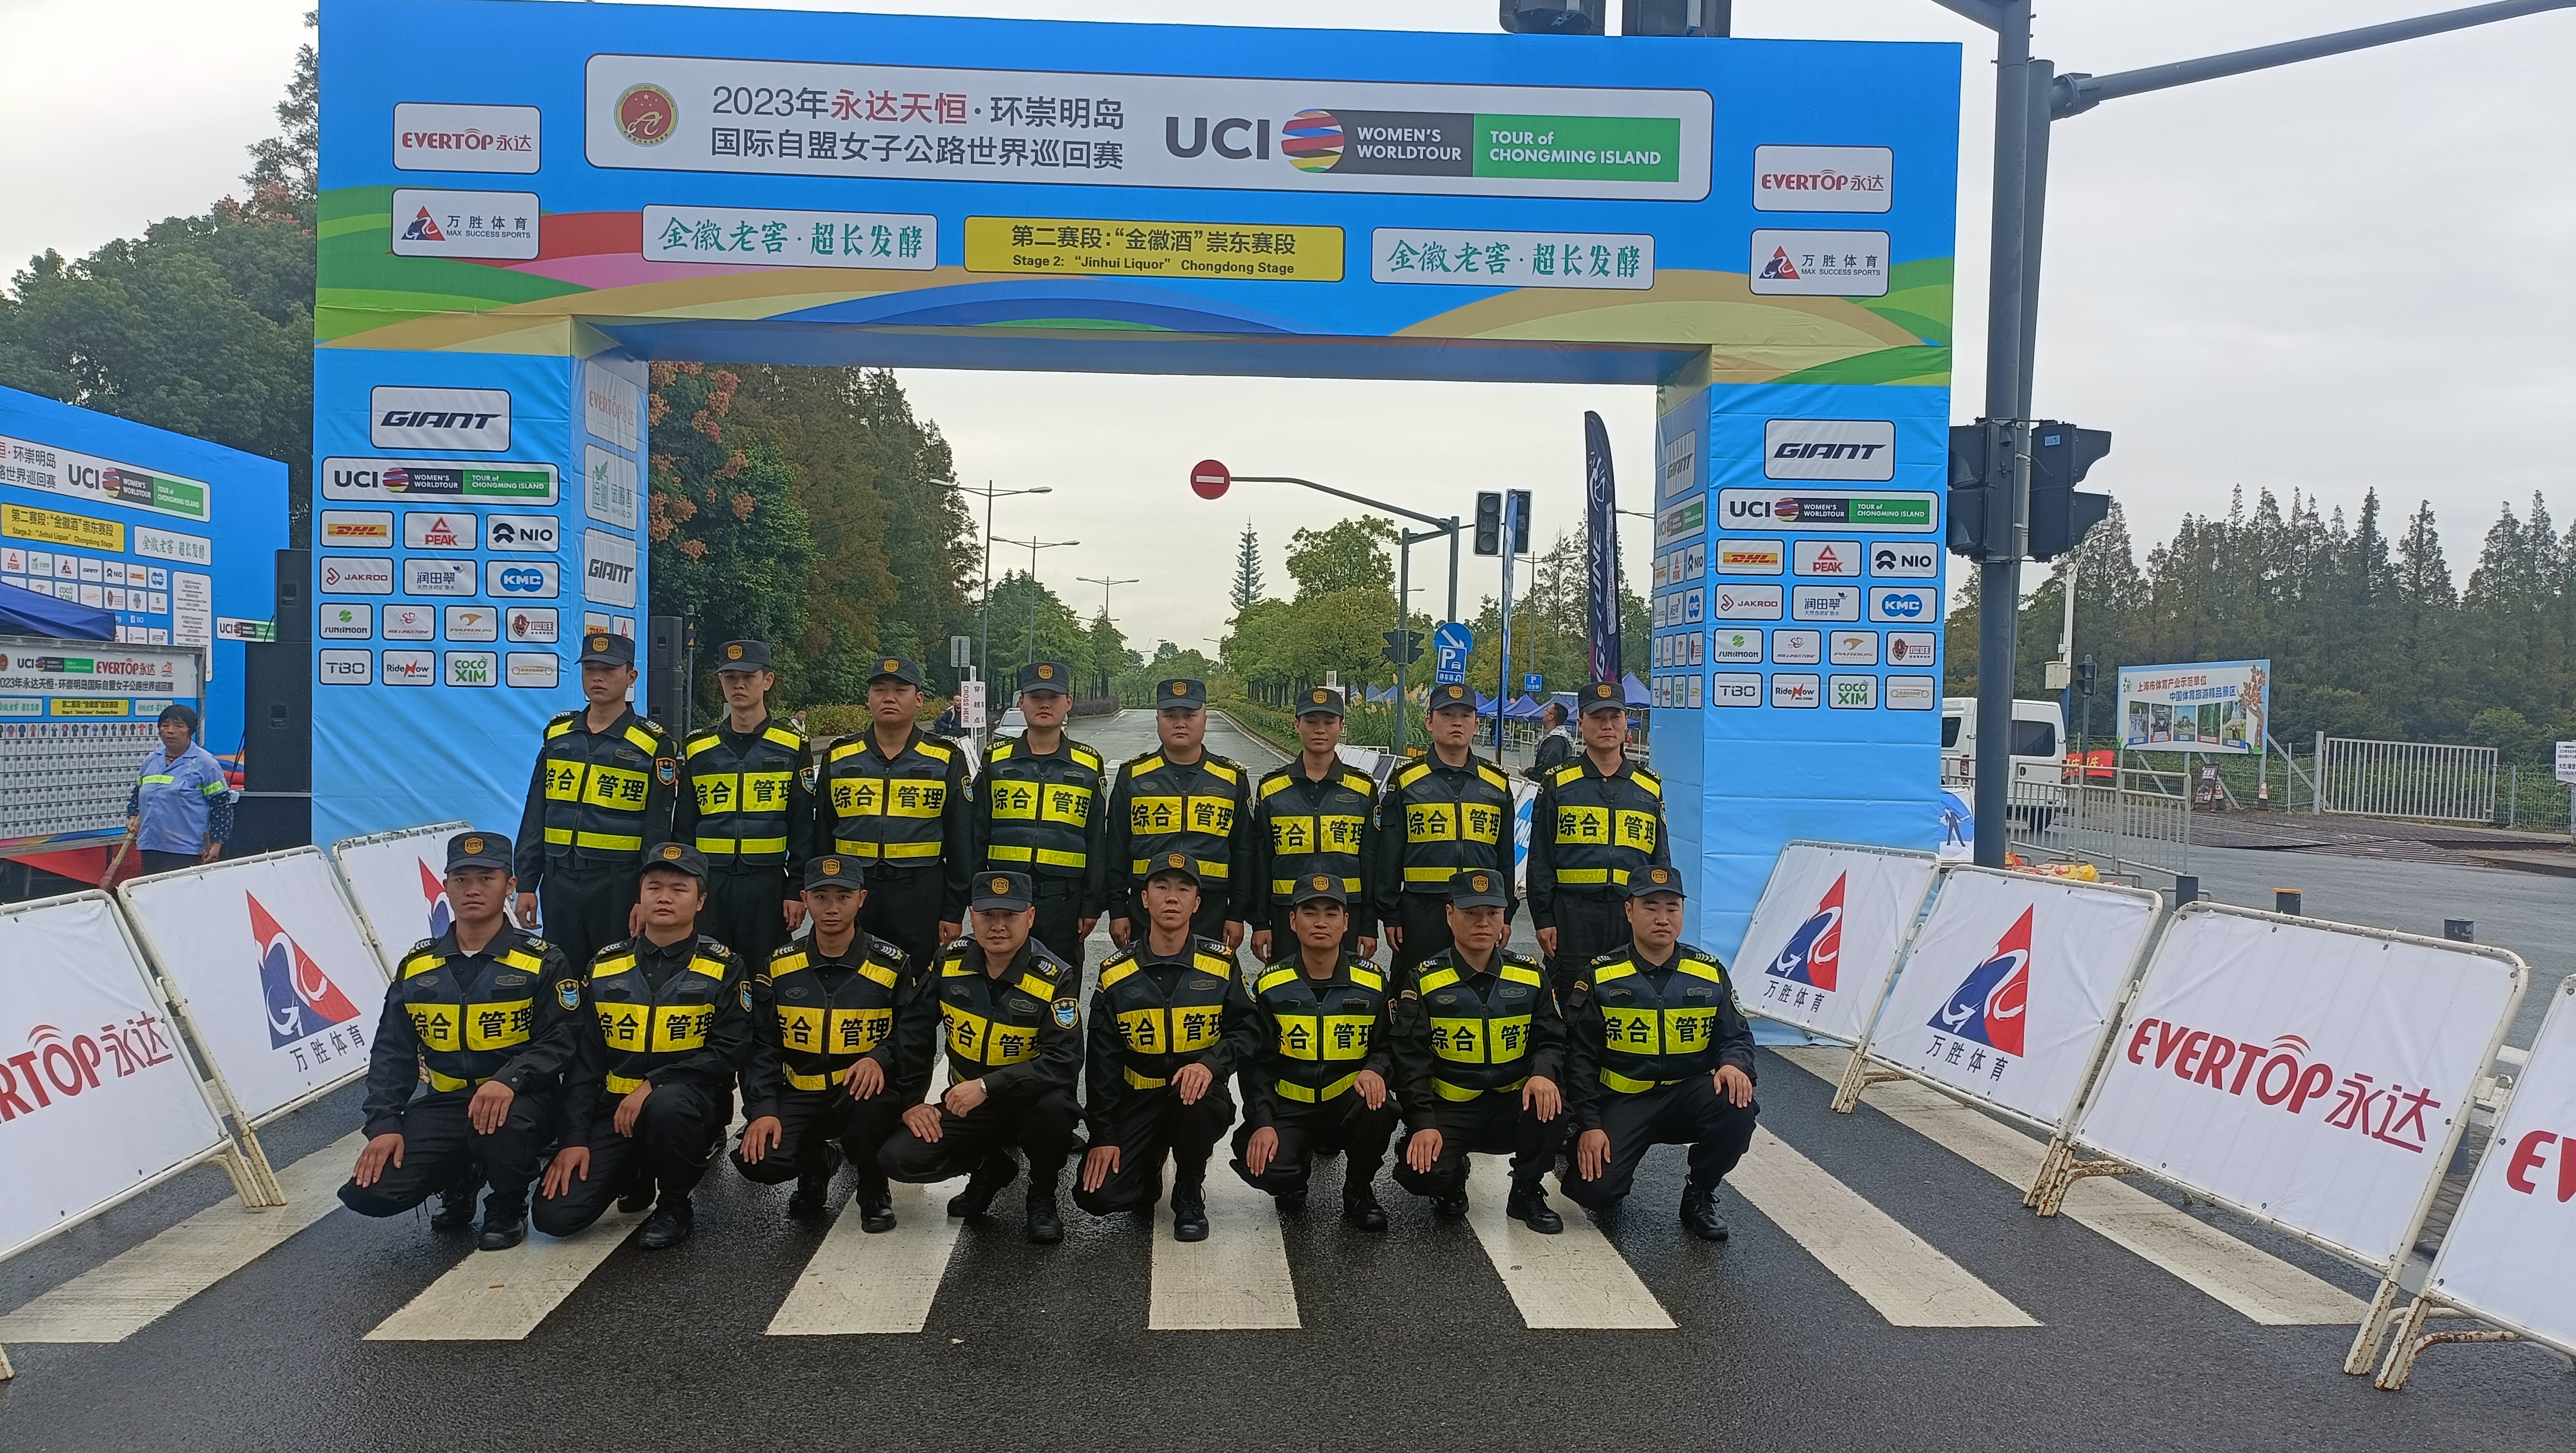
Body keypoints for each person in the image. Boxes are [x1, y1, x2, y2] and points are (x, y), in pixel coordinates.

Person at [339, 831, 574, 1250]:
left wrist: (510, 1080)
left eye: (486, 878)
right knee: (370, 1193)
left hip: (522, 1102)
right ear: (446, 886)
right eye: (461, 879)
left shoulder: (543, 960)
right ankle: (461, 1173)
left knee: (502, 1126)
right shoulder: (417, 966)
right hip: (446, 1104)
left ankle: (507, 1203)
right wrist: (385, 1125)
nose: (473, 890)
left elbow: (561, 1039)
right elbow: (392, 1052)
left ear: (510, 885)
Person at [533, 843, 750, 1250]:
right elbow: (585, 1061)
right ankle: (634, 1168)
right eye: (654, 887)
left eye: (679, 889)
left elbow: (729, 1050)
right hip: (614, 1109)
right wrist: (573, 1138)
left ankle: (674, 1203)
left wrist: (654, 1083)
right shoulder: (604, 966)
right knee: (555, 1216)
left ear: (700, 901)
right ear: (640, 896)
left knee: (667, 1107)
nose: (664, 897)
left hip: (686, 1105)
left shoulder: (725, 967)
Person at [877, 870, 1083, 1245]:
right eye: (988, 915)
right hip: (968, 1104)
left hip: (1029, 1100)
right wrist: (911, 1101)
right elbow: (914, 1030)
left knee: (1055, 1112)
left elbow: (1063, 1060)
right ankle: (991, 1167)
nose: (998, 926)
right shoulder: (949, 960)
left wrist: (989, 1086)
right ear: (972, 916)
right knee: (899, 1157)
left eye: (1010, 915)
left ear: (1031, 917)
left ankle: (1042, 1197)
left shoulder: (1055, 976)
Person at [1560, 866, 1758, 1241]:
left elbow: (1736, 1036)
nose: (1662, 919)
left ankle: (1700, 1193)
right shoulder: (1601, 976)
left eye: (1672, 908)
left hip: (1687, 1096)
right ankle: (1588, 1152)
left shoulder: (1709, 972)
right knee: (1595, 1193)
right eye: (1651, 908)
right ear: (1629, 911)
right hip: (1623, 1099)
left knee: (1737, 1104)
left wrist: (1734, 1064)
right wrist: (1588, 1125)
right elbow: (1579, 1058)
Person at [1074, 852, 1257, 1241]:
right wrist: (1103, 1135)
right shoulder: (1115, 973)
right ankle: (1149, 1164)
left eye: (1183, 889)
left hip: (1197, 1097)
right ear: (1145, 899)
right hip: (1138, 1100)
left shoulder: (1221, 963)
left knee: (1196, 1101)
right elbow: (1103, 1062)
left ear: (1197, 903)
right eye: (1161, 887)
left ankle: (1189, 1185)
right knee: (1098, 1196)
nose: (1172, 897)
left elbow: (1247, 1031)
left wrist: (1211, 1065)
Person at [733, 854, 918, 1231]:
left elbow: (911, 1033)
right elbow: (763, 1045)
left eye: (843, 897)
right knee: (760, 1160)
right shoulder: (779, 965)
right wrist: (763, 1108)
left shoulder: (892, 964)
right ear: (804, 899)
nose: (832, 908)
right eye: (820, 897)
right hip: (801, 1091)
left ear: (861, 899)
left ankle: (873, 1186)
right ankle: (818, 1163)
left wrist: (879, 1057)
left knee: (872, 1107)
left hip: (860, 1093)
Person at [1389, 869, 1568, 1233]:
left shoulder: (1530, 974)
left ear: (1504, 917)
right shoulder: (1424, 979)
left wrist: (1543, 1073)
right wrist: (1422, 1124)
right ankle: (1452, 1175)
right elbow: (1410, 1060)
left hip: (1510, 1103)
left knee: (1554, 1104)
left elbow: (1552, 1038)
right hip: (1451, 1106)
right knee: (1421, 1174)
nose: (1482, 923)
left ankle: (1526, 1190)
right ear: (1449, 914)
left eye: (1492, 913)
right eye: (1471, 913)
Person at [1230, 877, 1397, 1231]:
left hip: (1346, 1103)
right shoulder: (1270, 985)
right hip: (1291, 1105)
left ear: (1346, 922)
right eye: (1310, 912)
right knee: (1269, 1171)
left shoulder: (1373, 983)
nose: (1321, 922)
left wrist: (1377, 1069)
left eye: (1331, 913)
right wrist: (1263, 1122)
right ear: (1293, 921)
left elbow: (1389, 1044)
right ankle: (1295, 1167)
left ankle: (1359, 1189)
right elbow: (1257, 1064)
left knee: (1381, 1108)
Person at [512, 631, 680, 978]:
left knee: (615, 976)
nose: (598, 678)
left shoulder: (653, 743)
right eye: (590, 669)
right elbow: (536, 810)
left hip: (617, 884)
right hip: (559, 880)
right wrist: (527, 883)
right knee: (562, 976)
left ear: (631, 676)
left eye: (609, 670)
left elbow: (657, 827)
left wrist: (645, 894)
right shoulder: (558, 733)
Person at [817, 656, 972, 977]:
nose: (889, 698)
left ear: (919, 699)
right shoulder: (840, 756)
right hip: (854, 890)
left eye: (900, 690)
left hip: (920, 893)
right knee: (853, 984)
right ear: (868, 698)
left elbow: (961, 837)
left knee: (918, 987)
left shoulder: (945, 758)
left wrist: (954, 910)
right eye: (880, 689)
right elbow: (822, 831)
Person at [674, 639, 813, 973]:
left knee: (766, 976)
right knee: (706, 975)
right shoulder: (698, 747)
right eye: (730, 677)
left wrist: (796, 889)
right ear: (720, 681)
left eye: (748, 677)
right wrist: (684, 885)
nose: (739, 685)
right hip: (710, 884)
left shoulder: (793, 746)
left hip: (766, 884)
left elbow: (803, 825)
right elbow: (684, 826)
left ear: (767, 681)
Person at [1528, 679, 1672, 1001]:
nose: (1607, 726)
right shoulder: (1559, 784)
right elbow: (1541, 858)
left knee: (1629, 1002)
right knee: (1572, 1004)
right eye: (1597, 718)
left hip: (1630, 918)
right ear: (1581, 723)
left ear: (1626, 722)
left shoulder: (1648, 787)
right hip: (1572, 918)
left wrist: (1657, 915)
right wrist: (1543, 918)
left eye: (1614, 717)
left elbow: (1660, 860)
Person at [968, 659, 1107, 972]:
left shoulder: (1088, 765)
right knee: (999, 981)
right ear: (1021, 702)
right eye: (1036, 697)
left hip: (1064, 901)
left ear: (1068, 702)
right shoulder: (996, 760)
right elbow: (976, 831)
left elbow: (1097, 838)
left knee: (1060, 980)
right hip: (1003, 898)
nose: (1045, 705)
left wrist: (1092, 904)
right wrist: (973, 894)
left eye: (1053, 698)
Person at [1374, 682, 1516, 976]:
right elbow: (1389, 854)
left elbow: (1505, 856)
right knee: (1415, 988)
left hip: (1479, 909)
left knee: (1476, 988)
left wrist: (1505, 913)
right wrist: (1391, 914)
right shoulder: (1406, 781)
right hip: (1421, 911)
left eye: (1465, 716)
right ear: (1430, 722)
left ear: (1477, 725)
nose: (1456, 722)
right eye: (1447, 714)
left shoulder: (1497, 784)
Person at [1106, 678, 1255, 949]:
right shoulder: (1133, 776)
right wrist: (1117, 910)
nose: (1180, 723)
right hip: (1146, 908)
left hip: (1211, 909)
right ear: (1158, 720)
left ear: (1205, 720)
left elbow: (1244, 850)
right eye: (1171, 715)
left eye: (1189, 715)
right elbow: (1115, 845)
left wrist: (1237, 913)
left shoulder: (1231, 779)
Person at [1247, 685, 1377, 963]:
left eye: (1329, 722)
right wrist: (1260, 922)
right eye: (1311, 721)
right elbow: (1260, 859)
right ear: (1297, 725)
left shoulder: (1363, 789)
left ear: (1341, 727)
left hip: (1344, 912)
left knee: (1346, 984)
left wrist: (1368, 925)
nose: (1320, 730)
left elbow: (1371, 860)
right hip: (1286, 912)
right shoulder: (1271, 789)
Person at [112, 704, 232, 876]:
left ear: (190, 731)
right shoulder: (152, 760)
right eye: (165, 725)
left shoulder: (206, 764)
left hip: (187, 850)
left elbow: (222, 806)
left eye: (178, 726)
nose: (170, 731)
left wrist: (217, 842)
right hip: (151, 845)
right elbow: (138, 793)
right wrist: (133, 816)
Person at [1528, 700, 1577, 782]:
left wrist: (1528, 772)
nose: (1544, 712)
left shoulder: (1556, 741)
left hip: (1553, 786)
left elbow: (1547, 768)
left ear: (1551, 717)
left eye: (1546, 710)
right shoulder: (1558, 738)